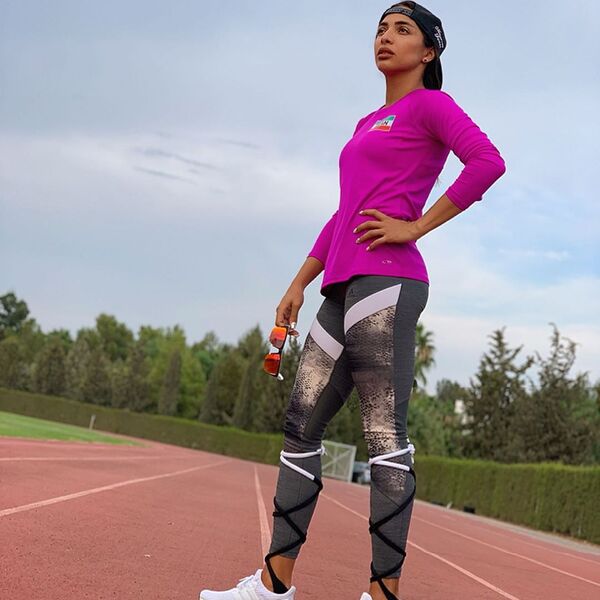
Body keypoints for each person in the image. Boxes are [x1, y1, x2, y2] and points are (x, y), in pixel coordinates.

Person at [199, 2, 506, 599]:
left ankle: (383, 593)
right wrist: (298, 282)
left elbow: (487, 162)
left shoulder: (432, 106)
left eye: (403, 30)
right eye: (381, 29)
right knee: (300, 425)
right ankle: (273, 586)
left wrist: (415, 227)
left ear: (429, 51)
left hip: (388, 282)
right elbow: (345, 212)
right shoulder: (368, 121)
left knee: (384, 435)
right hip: (340, 286)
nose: (386, 38)